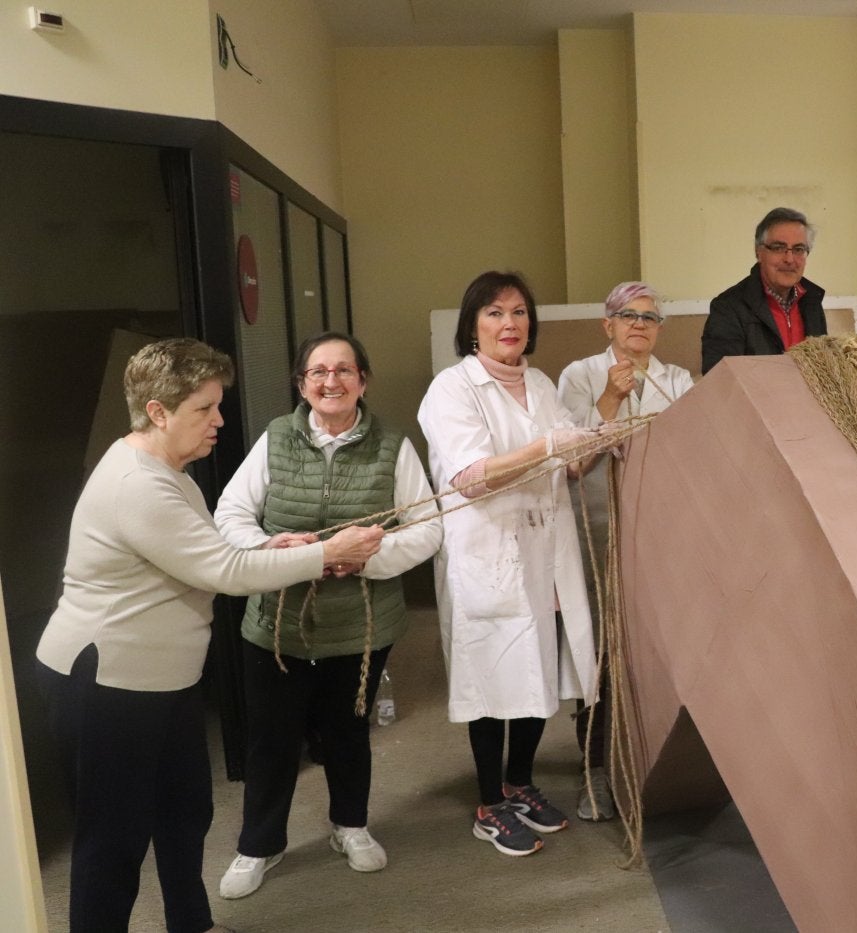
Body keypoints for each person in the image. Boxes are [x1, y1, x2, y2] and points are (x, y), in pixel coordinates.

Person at [34, 338, 384, 933]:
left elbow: (204, 553)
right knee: (114, 840)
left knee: (185, 812)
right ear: (158, 411)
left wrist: (272, 544)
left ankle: (190, 924)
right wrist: (327, 553)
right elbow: (224, 573)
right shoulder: (137, 484)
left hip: (163, 680)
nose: (220, 420)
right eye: (205, 408)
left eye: (218, 406)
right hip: (107, 681)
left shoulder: (168, 470)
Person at [212, 332, 442, 899]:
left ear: (362, 381)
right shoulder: (275, 439)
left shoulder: (392, 443)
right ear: (301, 384)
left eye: (343, 370)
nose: (330, 381)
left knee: (346, 732)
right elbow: (231, 514)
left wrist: (365, 558)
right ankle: (259, 845)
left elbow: (429, 527)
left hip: (359, 626)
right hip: (276, 622)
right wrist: (274, 550)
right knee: (270, 738)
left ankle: (350, 825)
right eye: (318, 372)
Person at [418, 270, 600, 857]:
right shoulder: (452, 389)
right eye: (495, 312)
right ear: (473, 325)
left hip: (544, 551)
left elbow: (567, 465)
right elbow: (471, 478)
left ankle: (519, 783)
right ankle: (488, 803)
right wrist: (551, 447)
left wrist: (599, 438)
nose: (509, 324)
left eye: (519, 312)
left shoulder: (541, 384)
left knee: (537, 670)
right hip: (489, 552)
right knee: (493, 677)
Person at [556, 281, 694, 820]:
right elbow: (571, 461)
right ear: (607, 325)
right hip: (595, 530)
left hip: (659, 532)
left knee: (651, 647)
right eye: (628, 316)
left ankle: (647, 761)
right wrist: (610, 399)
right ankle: (595, 767)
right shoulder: (578, 376)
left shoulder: (676, 380)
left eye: (650, 317)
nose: (640, 324)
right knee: (599, 651)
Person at [701, 206, 827, 374]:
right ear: (758, 252)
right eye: (778, 247)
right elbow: (721, 382)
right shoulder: (728, 308)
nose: (789, 259)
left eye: (798, 249)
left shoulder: (812, 302)